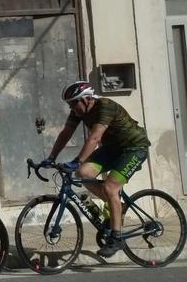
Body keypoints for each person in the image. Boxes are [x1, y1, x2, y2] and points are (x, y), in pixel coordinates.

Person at [44, 81, 150, 257]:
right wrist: (51, 157)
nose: (72, 107)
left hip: (134, 148)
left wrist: (77, 160)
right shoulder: (78, 111)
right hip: (112, 149)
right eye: (69, 104)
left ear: (86, 99)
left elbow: (94, 138)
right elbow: (66, 133)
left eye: (73, 103)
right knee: (84, 173)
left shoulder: (104, 106)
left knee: (110, 187)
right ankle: (118, 206)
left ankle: (117, 239)